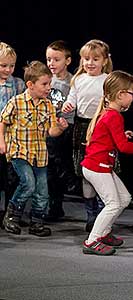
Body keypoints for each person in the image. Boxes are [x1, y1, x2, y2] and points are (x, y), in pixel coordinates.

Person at [81, 70, 133, 255]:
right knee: (113, 203)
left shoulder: (109, 114)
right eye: (132, 94)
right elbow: (123, 148)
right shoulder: (114, 116)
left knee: (124, 199)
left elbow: (109, 140)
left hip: (100, 165)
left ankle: (104, 232)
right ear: (120, 94)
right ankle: (92, 241)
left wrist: (122, 136)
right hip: (97, 167)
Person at [0, 61, 68, 236]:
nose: (48, 88)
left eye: (49, 84)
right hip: (19, 151)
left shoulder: (48, 106)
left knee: (42, 191)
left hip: (39, 154)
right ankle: (12, 215)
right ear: (30, 85)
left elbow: (51, 131)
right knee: (28, 183)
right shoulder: (16, 102)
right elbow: (3, 122)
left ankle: (37, 222)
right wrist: (2, 142)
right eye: (44, 84)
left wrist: (60, 128)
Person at [62, 39, 112, 232]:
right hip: (82, 128)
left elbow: (112, 104)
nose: (90, 63)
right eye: (86, 59)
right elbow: (72, 100)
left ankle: (102, 212)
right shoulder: (78, 79)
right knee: (86, 174)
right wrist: (68, 105)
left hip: (101, 127)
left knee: (103, 171)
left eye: (95, 59)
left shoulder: (108, 80)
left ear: (105, 61)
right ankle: (91, 215)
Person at [45, 40, 77, 220]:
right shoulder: (46, 79)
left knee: (61, 160)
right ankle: (54, 206)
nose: (51, 63)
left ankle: (70, 179)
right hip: (50, 127)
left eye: (56, 59)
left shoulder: (73, 81)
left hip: (68, 126)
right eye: (49, 59)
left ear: (68, 60)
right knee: (50, 168)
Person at [0, 42, 25, 215]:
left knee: (12, 177)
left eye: (12, 65)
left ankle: (10, 213)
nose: (8, 70)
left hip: (12, 138)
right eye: (3, 65)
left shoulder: (18, 84)